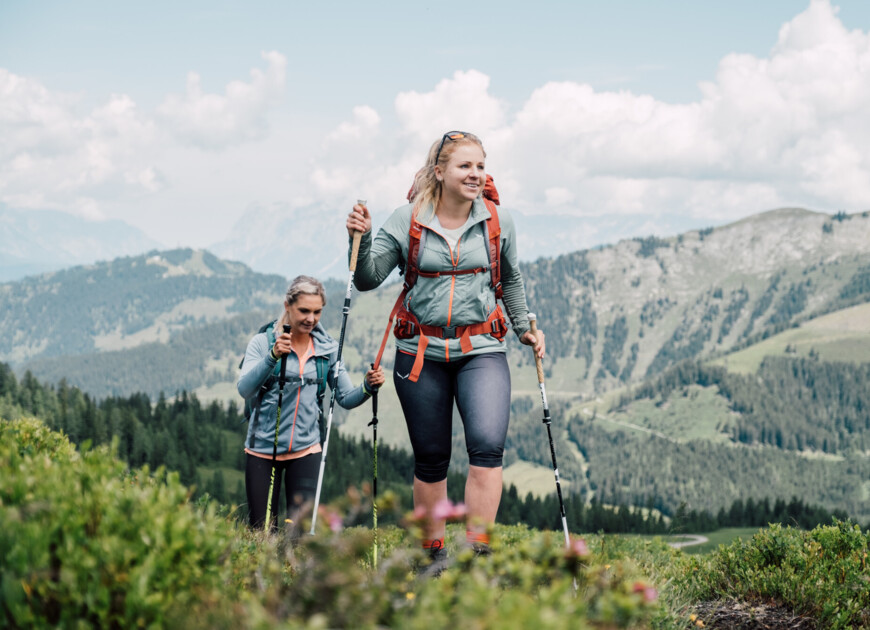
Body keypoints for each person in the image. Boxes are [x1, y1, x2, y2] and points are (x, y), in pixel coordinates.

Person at [346, 131, 545, 570]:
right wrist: (357, 242)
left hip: (482, 349)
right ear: (440, 172)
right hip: (420, 352)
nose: (476, 175)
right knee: (432, 457)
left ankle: (478, 552)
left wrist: (523, 326)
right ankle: (431, 554)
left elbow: (509, 279)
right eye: (465, 166)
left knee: (488, 446)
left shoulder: (497, 220)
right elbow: (367, 278)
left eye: (480, 166)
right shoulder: (407, 219)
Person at [238, 275, 385, 531]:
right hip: (262, 450)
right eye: (304, 310)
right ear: (287, 305)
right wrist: (272, 357)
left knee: (300, 535)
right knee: (261, 533)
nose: (311, 318)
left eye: (317, 312)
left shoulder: (327, 349)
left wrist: (368, 387)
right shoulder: (262, 343)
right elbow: (245, 389)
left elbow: (345, 397)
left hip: (306, 450)